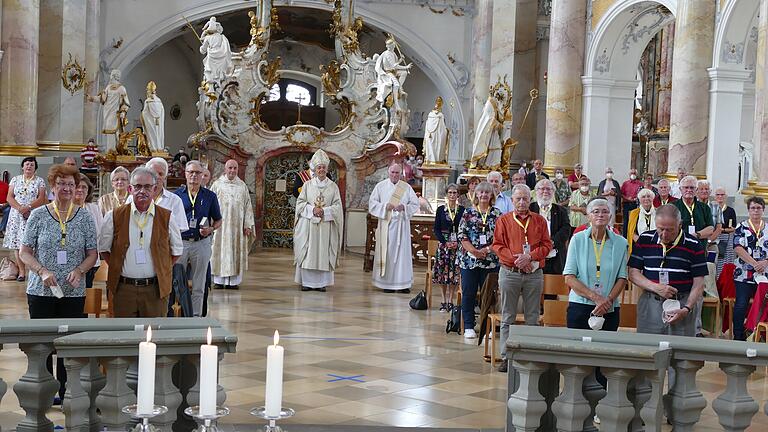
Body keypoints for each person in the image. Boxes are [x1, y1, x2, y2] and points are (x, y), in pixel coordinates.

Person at [20, 164, 97, 403]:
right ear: (52, 187)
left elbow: (93, 253)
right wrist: (41, 270)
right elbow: (24, 252)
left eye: (71, 185)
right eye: (61, 184)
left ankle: (67, 393)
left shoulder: (84, 216)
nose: (66, 188)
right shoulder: (39, 214)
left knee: (69, 344)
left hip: (73, 291)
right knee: (43, 345)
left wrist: (80, 269)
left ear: (77, 189)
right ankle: (45, 393)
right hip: (41, 290)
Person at [99, 167, 183, 317]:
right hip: (124, 289)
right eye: (137, 187)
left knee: (153, 335)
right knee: (125, 336)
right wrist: (118, 266)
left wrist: (162, 268)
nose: (142, 191)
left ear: (155, 189)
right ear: (130, 189)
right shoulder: (114, 216)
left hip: (155, 290)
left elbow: (176, 251)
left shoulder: (167, 217)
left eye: (147, 187)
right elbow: (104, 249)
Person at [492, 184, 553, 373]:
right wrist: (518, 260)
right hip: (510, 273)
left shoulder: (539, 221)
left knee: (532, 316)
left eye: (525, 199)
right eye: (518, 198)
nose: (521, 202)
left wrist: (531, 257)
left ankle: (529, 355)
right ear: (512, 200)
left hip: (534, 273)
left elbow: (546, 245)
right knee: (508, 315)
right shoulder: (503, 221)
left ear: (530, 200)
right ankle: (506, 356)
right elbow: (498, 246)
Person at [628, 204, 707, 337]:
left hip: (681, 304)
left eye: (670, 230)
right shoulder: (645, 240)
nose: (664, 234)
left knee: (682, 352)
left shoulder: (693, 244)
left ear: (680, 224)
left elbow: (699, 283)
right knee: (648, 350)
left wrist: (687, 308)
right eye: (660, 229)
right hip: (651, 303)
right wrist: (655, 287)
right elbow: (633, 273)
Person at [564, 198, 627, 333]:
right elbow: (569, 277)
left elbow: (622, 278)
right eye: (596, 211)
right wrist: (596, 298)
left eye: (605, 211)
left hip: (609, 307)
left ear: (610, 216)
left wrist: (607, 301)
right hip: (580, 304)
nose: (600, 215)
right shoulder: (577, 239)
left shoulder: (621, 242)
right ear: (588, 216)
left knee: (605, 350)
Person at [175, 161, 222, 317]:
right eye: (191, 172)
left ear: (203, 176)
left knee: (199, 283)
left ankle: (195, 316)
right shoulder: (177, 196)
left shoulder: (210, 196)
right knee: (176, 280)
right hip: (181, 242)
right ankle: (179, 313)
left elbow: (218, 219)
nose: (194, 175)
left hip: (201, 242)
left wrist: (211, 229)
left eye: (197, 173)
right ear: (185, 174)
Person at [293, 150, 344, 292]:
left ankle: (321, 283)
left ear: (327, 169)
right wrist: (312, 210)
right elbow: (300, 203)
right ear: (315, 169)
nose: (321, 170)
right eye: (319, 167)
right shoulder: (307, 185)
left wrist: (325, 211)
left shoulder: (333, 187)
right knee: (309, 252)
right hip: (309, 225)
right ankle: (307, 282)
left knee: (323, 252)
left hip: (326, 226)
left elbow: (338, 207)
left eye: (323, 167)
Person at [457, 181, 500, 337]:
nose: (483, 195)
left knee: (488, 293)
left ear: (491, 196)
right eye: (481, 192)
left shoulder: (497, 214)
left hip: (490, 261)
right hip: (469, 260)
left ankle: (486, 326)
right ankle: (468, 325)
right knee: (468, 292)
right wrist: (474, 251)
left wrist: (487, 250)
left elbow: (501, 237)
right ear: (476, 195)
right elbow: (461, 235)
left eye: (487, 193)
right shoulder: (468, 212)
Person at [369, 163, 420, 293]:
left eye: (397, 173)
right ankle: (387, 283)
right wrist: (385, 206)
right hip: (386, 224)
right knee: (387, 253)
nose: (394, 175)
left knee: (402, 254)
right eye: (392, 172)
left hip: (401, 227)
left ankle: (402, 284)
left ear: (401, 173)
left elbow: (415, 204)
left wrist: (404, 207)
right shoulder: (380, 187)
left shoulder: (406, 187)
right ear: (388, 172)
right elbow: (372, 204)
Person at [210, 160, 255, 289]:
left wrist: (247, 225)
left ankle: (233, 282)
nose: (232, 170)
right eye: (230, 168)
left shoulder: (242, 186)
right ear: (225, 169)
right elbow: (211, 205)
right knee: (220, 251)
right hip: (220, 227)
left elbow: (248, 206)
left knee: (235, 251)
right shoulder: (217, 185)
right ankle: (219, 281)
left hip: (237, 227)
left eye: (235, 168)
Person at [5, 157, 47, 281]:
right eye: (27, 164)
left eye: (32, 165)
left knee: (31, 244)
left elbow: (41, 198)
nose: (29, 167)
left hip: (32, 214)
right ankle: (22, 272)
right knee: (17, 244)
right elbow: (9, 197)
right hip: (16, 215)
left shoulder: (40, 181)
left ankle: (34, 271)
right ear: (23, 167)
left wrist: (28, 207)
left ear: (35, 168)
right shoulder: (15, 179)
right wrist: (19, 208)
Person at [731, 197, 768, 340]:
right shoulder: (742, 227)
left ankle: (761, 335)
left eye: (758, 208)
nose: (756, 210)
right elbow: (738, 248)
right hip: (744, 274)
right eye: (753, 208)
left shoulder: (767, 228)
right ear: (748, 210)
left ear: (763, 210)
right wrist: (754, 263)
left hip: (764, 274)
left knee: (765, 304)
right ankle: (739, 336)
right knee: (741, 304)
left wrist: (765, 262)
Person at [131, 157, 189, 232]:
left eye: (161, 174)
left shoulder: (175, 200)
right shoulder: (133, 198)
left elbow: (179, 228)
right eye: (153, 173)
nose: (157, 177)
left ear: (165, 177)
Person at [433, 184, 464, 311]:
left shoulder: (462, 210)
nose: (452, 195)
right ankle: (443, 300)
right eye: (450, 192)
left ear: (458, 195)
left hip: (457, 245)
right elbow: (436, 228)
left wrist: (458, 242)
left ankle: (451, 300)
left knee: (453, 273)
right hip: (444, 245)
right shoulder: (441, 209)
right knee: (442, 273)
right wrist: (444, 242)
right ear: (446, 194)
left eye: (454, 192)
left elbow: (463, 227)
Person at [530, 179, 570, 274]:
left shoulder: (561, 210)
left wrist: (551, 242)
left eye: (549, 189)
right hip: (534, 256)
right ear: (536, 191)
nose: (545, 191)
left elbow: (566, 229)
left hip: (555, 256)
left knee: (555, 287)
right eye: (542, 189)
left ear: (553, 192)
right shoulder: (529, 209)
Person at [87, 69, 130, 151]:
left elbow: (126, 103)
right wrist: (92, 98)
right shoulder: (108, 87)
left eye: (111, 75)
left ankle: (113, 151)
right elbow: (102, 98)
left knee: (115, 132)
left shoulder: (121, 88)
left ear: (114, 76)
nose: (110, 77)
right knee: (109, 132)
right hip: (108, 112)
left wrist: (123, 112)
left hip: (116, 114)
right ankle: (110, 151)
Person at [74, 174, 104, 289]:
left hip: (90, 262)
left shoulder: (94, 208)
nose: (80, 190)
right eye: (78, 186)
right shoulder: (65, 208)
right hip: (70, 262)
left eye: (84, 187)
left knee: (86, 294)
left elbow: (100, 232)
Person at [673, 175, 714, 250]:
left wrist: (697, 235)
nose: (689, 190)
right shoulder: (672, 207)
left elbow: (711, 229)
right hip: (678, 248)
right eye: (686, 187)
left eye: (692, 187)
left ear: (696, 190)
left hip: (699, 248)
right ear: (680, 189)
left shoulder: (704, 208)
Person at [200, 17, 234, 82]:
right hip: (221, 53)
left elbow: (203, 50)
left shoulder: (208, 37)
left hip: (212, 55)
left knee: (210, 70)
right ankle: (220, 77)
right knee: (220, 70)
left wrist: (201, 46)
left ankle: (213, 81)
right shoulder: (221, 37)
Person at [714, 187, 737, 276]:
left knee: (726, 262)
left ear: (726, 196)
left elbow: (733, 227)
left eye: (722, 195)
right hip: (714, 237)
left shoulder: (730, 210)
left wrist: (722, 230)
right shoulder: (711, 208)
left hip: (726, 237)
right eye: (718, 195)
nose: (720, 196)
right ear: (715, 196)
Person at [626, 188, 656, 254]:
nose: (646, 199)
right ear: (639, 200)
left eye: (648, 196)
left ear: (652, 198)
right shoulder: (633, 213)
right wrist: (641, 242)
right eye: (643, 197)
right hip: (638, 245)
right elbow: (631, 231)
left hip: (655, 246)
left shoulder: (658, 212)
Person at [141, 81, 165, 152]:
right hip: (158, 122)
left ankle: (153, 148)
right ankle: (160, 147)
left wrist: (142, 116)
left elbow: (145, 113)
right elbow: (162, 112)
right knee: (158, 134)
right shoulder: (159, 101)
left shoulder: (147, 101)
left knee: (152, 134)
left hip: (151, 121)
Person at [423, 96, 448, 164]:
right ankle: (436, 160)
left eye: (440, 101)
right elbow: (443, 132)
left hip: (430, 136)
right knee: (438, 147)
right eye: (438, 101)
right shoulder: (440, 115)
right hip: (436, 137)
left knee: (431, 147)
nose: (438, 102)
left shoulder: (430, 115)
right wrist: (447, 131)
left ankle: (431, 159)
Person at [0, 171, 9, 236]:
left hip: (4, 205)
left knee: (8, 210)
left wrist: (6, 204)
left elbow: (10, 198)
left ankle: (1, 229)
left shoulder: (6, 185)